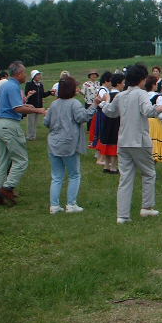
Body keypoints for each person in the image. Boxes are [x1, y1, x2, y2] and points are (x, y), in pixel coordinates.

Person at [99, 64, 162, 224]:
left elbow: (110, 112)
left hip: (123, 142)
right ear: (142, 79)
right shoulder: (141, 94)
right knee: (149, 173)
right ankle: (147, 208)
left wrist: (102, 103)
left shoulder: (121, 95)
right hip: (139, 141)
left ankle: (122, 216)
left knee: (125, 178)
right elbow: (149, 112)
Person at [0, 61, 47, 206]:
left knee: (2, 161)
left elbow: (9, 105)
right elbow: (17, 109)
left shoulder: (6, 85)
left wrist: (27, 105)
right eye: (24, 73)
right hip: (10, 125)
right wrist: (37, 110)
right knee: (21, 160)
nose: (26, 75)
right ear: (19, 74)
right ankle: (7, 188)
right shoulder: (14, 86)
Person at [44, 77, 98, 214]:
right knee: (74, 175)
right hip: (69, 144)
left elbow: (46, 122)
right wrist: (95, 105)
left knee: (56, 176)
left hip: (53, 143)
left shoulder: (54, 104)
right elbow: (83, 117)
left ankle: (54, 206)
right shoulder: (74, 104)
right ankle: (71, 204)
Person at [97, 73, 125, 174]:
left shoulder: (107, 94)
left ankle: (106, 165)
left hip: (106, 121)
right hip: (116, 122)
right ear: (118, 84)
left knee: (107, 141)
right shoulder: (120, 96)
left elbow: (100, 105)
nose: (124, 85)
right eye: (123, 83)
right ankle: (113, 167)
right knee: (114, 142)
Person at [145, 75, 162, 164]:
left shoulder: (142, 96)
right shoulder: (158, 97)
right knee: (154, 148)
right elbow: (161, 115)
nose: (157, 85)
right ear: (153, 85)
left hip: (142, 123)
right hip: (154, 124)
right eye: (156, 84)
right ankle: (150, 171)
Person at [24, 69, 52, 140]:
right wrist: (30, 93)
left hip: (39, 106)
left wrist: (50, 92)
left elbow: (42, 95)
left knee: (35, 122)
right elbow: (26, 93)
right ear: (34, 76)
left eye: (39, 75)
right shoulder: (29, 84)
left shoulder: (41, 85)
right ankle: (30, 136)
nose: (39, 76)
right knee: (31, 121)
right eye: (37, 75)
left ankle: (33, 135)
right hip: (31, 106)